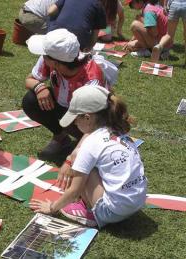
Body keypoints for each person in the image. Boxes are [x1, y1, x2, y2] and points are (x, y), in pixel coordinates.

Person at [30, 85, 147, 228]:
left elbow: (74, 191)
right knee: (90, 163)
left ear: (87, 118)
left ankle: (93, 214)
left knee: (82, 166)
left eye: (75, 119)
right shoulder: (119, 129)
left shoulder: (90, 143)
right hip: (137, 204)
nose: (74, 123)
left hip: (111, 213)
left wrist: (52, 207)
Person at [23, 28, 108, 161]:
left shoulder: (91, 79)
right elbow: (29, 80)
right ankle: (61, 137)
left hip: (88, 117)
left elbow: (93, 119)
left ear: (56, 62)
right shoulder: (55, 59)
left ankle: (86, 145)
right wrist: (39, 87)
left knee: (92, 144)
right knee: (30, 100)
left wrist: (73, 158)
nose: (42, 57)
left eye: (45, 55)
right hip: (65, 109)